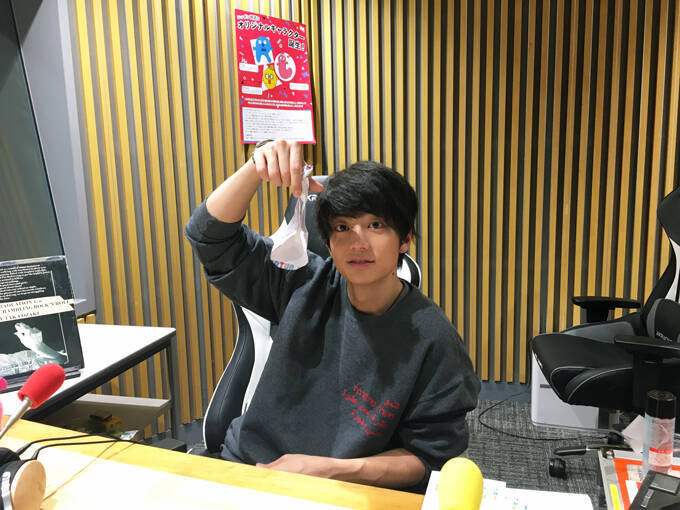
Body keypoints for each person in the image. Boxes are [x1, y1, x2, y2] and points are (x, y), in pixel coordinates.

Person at [184, 140, 480, 492]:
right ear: (327, 240)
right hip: (249, 470)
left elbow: (429, 457)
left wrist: (331, 470)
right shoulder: (301, 282)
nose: (358, 242)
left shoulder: (433, 339)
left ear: (405, 239)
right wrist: (255, 167)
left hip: (342, 490)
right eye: (342, 227)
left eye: (375, 225)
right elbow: (209, 238)